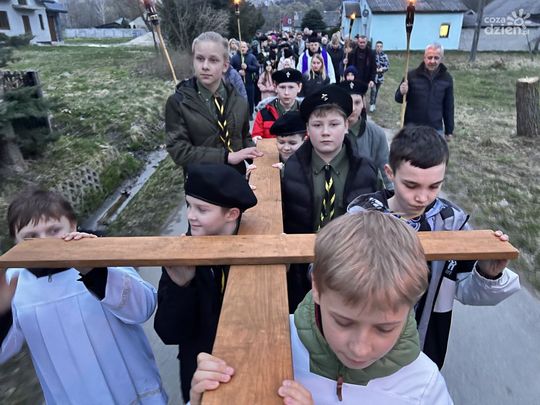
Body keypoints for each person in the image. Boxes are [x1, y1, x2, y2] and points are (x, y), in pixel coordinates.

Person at [188, 212, 454, 404]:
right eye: (343, 322)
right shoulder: (263, 343)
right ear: (316, 285)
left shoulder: (423, 386)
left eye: (384, 329)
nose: (360, 349)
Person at [347, 125, 521, 369]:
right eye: (411, 185)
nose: (422, 197)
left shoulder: (452, 224)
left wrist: (488, 274)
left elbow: (466, 291)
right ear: (390, 173)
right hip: (363, 348)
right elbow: (330, 277)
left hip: (424, 350)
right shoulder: (360, 218)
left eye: (433, 186)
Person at [0, 188, 167, 404]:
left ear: (72, 224)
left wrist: (95, 271)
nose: (45, 243)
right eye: (30, 237)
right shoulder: (13, 283)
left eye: (53, 230)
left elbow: (143, 308)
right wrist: (3, 312)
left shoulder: (100, 253)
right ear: (15, 241)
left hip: (130, 385)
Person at [154, 163, 257, 403]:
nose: (190, 216)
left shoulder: (256, 248)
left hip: (249, 361)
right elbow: (169, 333)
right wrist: (181, 286)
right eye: (188, 205)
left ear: (232, 214)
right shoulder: (181, 256)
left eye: (202, 209)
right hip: (200, 371)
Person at [282, 85, 379, 312]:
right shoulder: (293, 169)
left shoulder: (365, 170)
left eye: (334, 124)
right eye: (317, 125)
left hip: (350, 263)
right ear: (307, 129)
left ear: (346, 126)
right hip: (301, 263)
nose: (325, 132)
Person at [165, 31, 262, 173]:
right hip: (201, 181)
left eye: (213, 60)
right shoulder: (179, 103)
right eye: (200, 59)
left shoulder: (239, 101)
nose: (205, 66)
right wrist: (226, 157)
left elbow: (243, 136)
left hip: (237, 177)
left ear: (225, 66)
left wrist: (257, 157)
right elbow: (179, 150)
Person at [338, 80, 393, 189]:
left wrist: (391, 193)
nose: (353, 108)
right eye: (347, 102)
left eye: (357, 102)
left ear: (363, 103)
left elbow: (386, 172)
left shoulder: (377, 134)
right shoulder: (330, 133)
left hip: (367, 191)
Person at [395, 43, 454, 141]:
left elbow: (449, 107)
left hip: (435, 129)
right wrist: (401, 92)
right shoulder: (411, 76)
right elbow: (398, 99)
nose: (432, 61)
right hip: (412, 127)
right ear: (424, 58)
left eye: (436, 58)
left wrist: (449, 131)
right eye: (429, 57)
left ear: (441, 59)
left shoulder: (447, 78)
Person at [252, 68, 303, 139]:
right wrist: (256, 139)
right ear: (275, 87)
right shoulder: (264, 113)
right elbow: (256, 136)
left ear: (299, 87)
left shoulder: (305, 113)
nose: (286, 92)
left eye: (291, 87)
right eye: (282, 87)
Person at [231, 40, 260, 116]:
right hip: (237, 84)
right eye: (241, 47)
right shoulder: (234, 58)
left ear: (247, 48)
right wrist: (238, 72)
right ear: (238, 48)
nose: (242, 49)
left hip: (249, 82)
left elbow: (257, 67)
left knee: (250, 99)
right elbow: (230, 69)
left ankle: (250, 114)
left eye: (244, 47)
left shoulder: (252, 57)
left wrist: (247, 67)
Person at [369, 40, 389, 112]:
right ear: (375, 47)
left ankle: (374, 103)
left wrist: (382, 69)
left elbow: (387, 66)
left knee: (376, 91)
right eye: (377, 46)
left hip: (380, 77)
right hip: (373, 76)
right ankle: (371, 104)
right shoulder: (372, 54)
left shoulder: (384, 56)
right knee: (373, 90)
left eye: (380, 46)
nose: (379, 48)